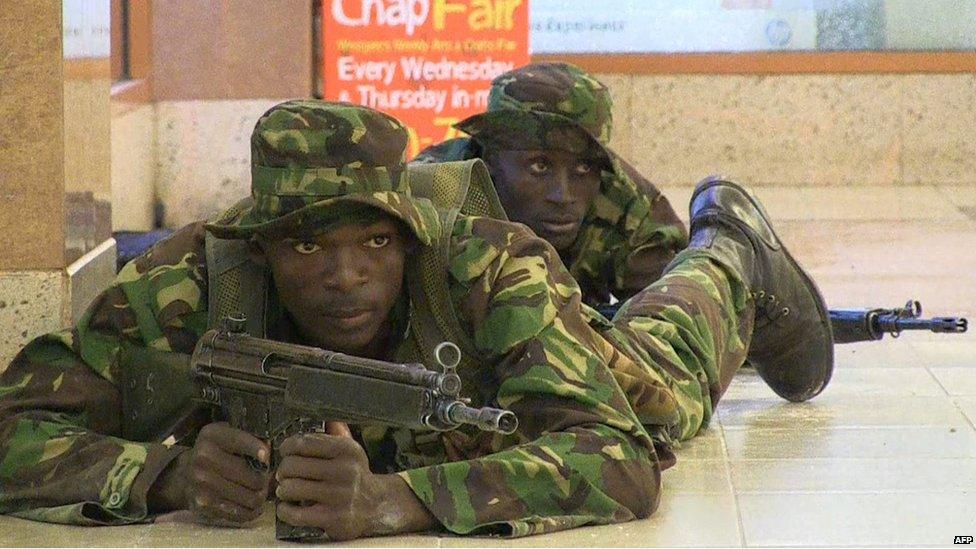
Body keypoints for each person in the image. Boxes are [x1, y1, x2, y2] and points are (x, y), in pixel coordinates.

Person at [0, 100, 832, 540]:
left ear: (408, 232)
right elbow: (13, 428)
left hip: (546, 358)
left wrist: (394, 501)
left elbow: (617, 458)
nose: (346, 276)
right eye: (307, 246)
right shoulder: (186, 284)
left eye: (373, 239)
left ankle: (729, 249)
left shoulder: (488, 266)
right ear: (260, 245)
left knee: (670, 390)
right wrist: (161, 476)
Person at [414, 62, 687, 306]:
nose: (563, 195)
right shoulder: (429, 195)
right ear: (491, 160)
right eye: (540, 166)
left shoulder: (628, 206)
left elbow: (674, 321)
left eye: (583, 167)